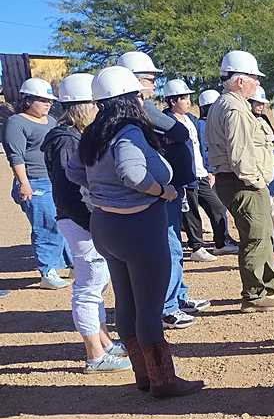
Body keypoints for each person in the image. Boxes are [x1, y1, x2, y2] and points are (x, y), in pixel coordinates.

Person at [67, 66, 203, 398]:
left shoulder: (93, 132)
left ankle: (144, 376)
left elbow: (73, 171)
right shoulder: (128, 132)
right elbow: (133, 173)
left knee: (126, 300)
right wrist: (161, 191)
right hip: (139, 226)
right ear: (130, 99)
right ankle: (164, 382)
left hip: (106, 226)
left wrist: (102, 191)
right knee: (149, 306)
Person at [41, 73, 130, 373]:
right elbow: (71, 192)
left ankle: (102, 340)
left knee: (97, 282)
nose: (98, 109)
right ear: (82, 106)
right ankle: (94, 353)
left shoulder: (69, 137)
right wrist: (94, 221)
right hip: (80, 222)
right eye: (94, 104)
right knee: (89, 286)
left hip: (81, 220)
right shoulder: (66, 140)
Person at [116, 51, 208, 327]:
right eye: (149, 78)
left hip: (170, 188)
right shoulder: (139, 110)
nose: (154, 83)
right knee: (166, 247)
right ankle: (167, 306)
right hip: (158, 191)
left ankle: (178, 297)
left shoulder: (142, 108)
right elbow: (176, 132)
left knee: (174, 246)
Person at [206, 50, 274, 312]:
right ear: (240, 81)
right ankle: (255, 294)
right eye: (254, 78)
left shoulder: (228, 105)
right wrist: (256, 181)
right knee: (255, 237)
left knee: (263, 234)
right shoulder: (234, 107)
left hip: (240, 181)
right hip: (242, 182)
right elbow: (240, 152)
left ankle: (267, 285)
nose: (257, 83)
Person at [2, 77, 72, 288]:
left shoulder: (50, 121)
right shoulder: (16, 123)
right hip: (34, 181)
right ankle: (47, 271)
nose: (48, 104)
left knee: (65, 223)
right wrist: (24, 183)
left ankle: (72, 264)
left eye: (49, 101)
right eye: (42, 100)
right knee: (46, 225)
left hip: (54, 179)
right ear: (27, 100)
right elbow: (16, 156)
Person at [164, 79, 235, 262]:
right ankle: (197, 247)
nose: (189, 101)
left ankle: (221, 242)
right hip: (184, 176)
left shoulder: (192, 119)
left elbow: (202, 146)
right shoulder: (165, 122)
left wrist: (210, 169)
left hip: (201, 173)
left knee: (217, 206)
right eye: (184, 98)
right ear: (173, 101)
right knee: (191, 211)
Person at [248, 87, 274, 195]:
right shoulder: (246, 120)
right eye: (258, 103)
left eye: (262, 103)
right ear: (250, 102)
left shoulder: (263, 118)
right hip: (258, 168)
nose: (261, 106)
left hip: (270, 164)